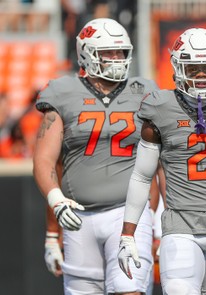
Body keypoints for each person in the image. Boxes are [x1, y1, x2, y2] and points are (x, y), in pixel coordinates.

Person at [117, 27, 206, 294]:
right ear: (176, 66)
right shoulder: (160, 107)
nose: (201, 75)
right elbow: (141, 176)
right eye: (193, 68)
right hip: (180, 225)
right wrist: (128, 233)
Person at [33, 18, 160, 294]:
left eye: (120, 52)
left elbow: (162, 162)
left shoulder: (145, 91)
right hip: (78, 216)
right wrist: (53, 227)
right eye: (108, 52)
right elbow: (47, 161)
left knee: (131, 290)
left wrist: (160, 221)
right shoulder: (62, 92)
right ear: (86, 52)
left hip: (129, 212)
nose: (117, 58)